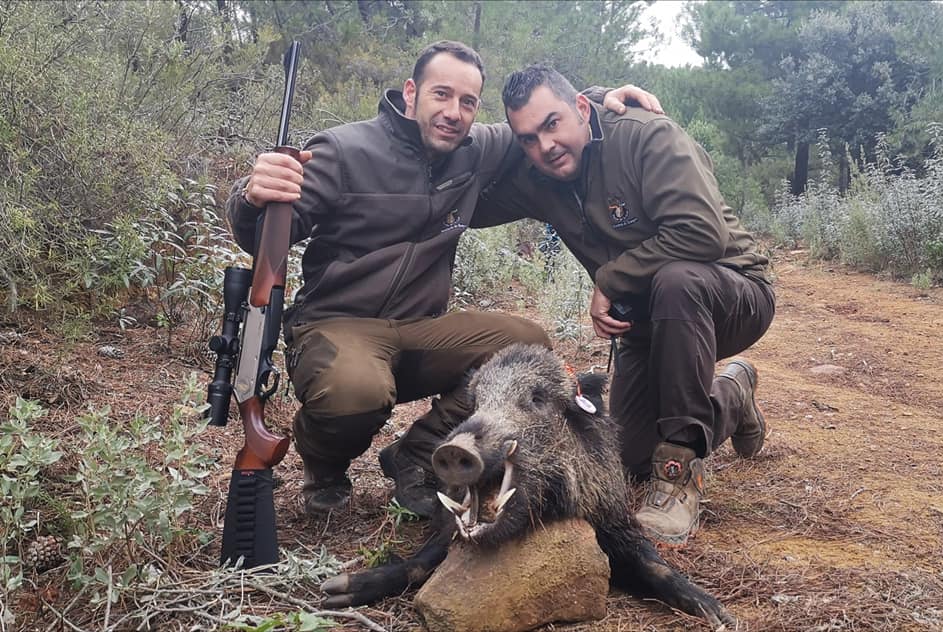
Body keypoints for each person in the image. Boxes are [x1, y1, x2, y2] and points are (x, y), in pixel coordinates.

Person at [225, 41, 662, 519]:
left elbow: (547, 117)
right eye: (441, 95)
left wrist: (597, 97)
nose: (454, 112)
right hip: (337, 326)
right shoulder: (343, 150)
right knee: (356, 393)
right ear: (411, 93)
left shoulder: (475, 151)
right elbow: (262, 234)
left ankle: (419, 452)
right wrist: (252, 194)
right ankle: (325, 465)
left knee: (526, 345)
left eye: (468, 102)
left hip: (422, 330)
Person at [475, 64, 776, 547]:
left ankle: (680, 479)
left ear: (580, 108)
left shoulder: (644, 135)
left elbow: (701, 232)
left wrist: (612, 278)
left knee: (678, 282)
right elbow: (464, 199)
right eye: (528, 138)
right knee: (630, 457)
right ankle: (731, 396)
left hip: (732, 292)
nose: (545, 146)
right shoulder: (538, 174)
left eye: (552, 124)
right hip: (643, 320)